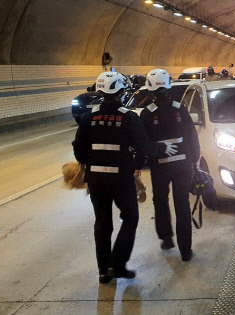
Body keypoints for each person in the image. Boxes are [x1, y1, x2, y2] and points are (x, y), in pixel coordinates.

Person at [72, 72, 174, 284]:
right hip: (120, 179)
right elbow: (144, 147)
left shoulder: (88, 117)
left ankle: (103, 272)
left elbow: (78, 149)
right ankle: (117, 265)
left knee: (102, 223)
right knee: (130, 218)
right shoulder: (128, 117)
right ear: (121, 91)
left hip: (96, 180)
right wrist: (161, 147)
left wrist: (88, 163)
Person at [135, 69, 200, 262]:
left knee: (160, 201)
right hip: (182, 166)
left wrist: (138, 166)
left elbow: (142, 144)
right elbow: (192, 138)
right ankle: (186, 251)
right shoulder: (180, 108)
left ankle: (166, 238)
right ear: (169, 85)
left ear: (150, 89)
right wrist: (194, 161)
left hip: (160, 166)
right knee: (182, 205)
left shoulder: (146, 114)